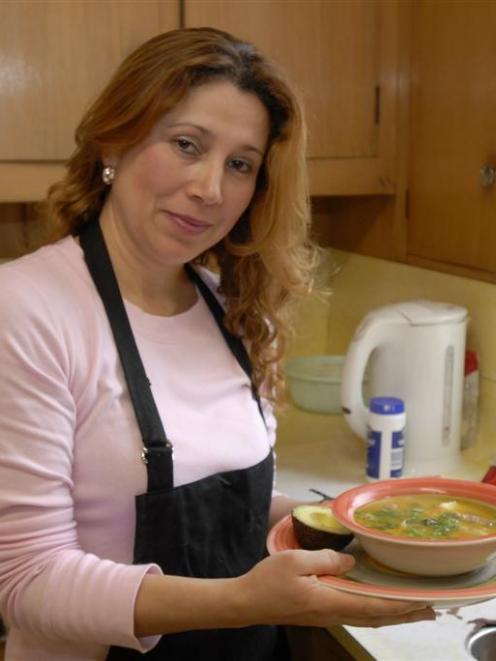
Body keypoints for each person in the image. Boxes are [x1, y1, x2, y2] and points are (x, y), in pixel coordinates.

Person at [0, 27, 435, 661]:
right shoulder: (27, 307)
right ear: (114, 140)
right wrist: (246, 601)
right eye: (186, 145)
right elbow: (27, 580)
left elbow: (237, 505)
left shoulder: (230, 307)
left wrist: (365, 528)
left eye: (240, 164)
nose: (210, 188)